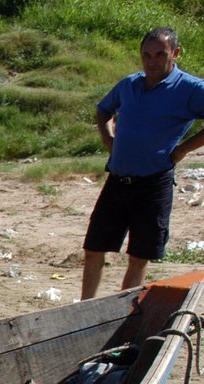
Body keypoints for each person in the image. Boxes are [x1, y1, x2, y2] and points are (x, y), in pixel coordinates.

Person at [81, 27, 204, 301]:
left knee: (139, 256)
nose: (152, 61)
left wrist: (182, 150)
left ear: (175, 53)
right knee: (94, 248)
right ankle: (84, 307)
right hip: (118, 180)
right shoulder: (130, 84)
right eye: (146, 55)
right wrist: (109, 139)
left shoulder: (191, 89)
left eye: (160, 54)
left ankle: (120, 316)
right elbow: (103, 110)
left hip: (153, 183)